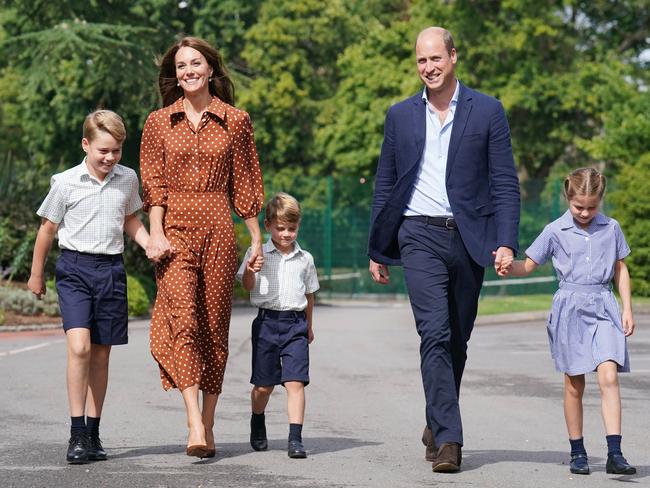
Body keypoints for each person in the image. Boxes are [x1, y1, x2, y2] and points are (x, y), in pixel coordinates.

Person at [367, 26, 520, 473]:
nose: (428, 68)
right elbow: (386, 184)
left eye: (435, 58)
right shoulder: (399, 116)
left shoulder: (487, 111)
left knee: (457, 339)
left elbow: (505, 182)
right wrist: (378, 245)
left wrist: (506, 240)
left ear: (454, 56)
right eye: (421, 61)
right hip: (418, 235)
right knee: (433, 333)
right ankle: (450, 440)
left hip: (470, 238)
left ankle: (437, 419)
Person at [140, 36, 264, 458]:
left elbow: (245, 183)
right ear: (174, 75)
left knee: (214, 326)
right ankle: (193, 418)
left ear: (211, 69)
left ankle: (209, 421)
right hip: (174, 230)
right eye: (180, 66)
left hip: (218, 228)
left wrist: (256, 237)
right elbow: (153, 186)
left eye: (195, 63)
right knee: (184, 320)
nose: (188, 71)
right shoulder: (159, 122)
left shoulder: (236, 120)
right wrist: (155, 233)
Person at [27, 110, 150, 464]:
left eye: (116, 151)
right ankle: (77, 433)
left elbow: (130, 218)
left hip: (111, 270)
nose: (110, 158)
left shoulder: (127, 179)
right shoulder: (65, 182)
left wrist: (150, 243)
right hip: (75, 270)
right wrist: (37, 275)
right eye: (103, 151)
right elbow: (47, 230)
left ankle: (94, 432)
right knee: (79, 347)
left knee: (100, 353)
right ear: (86, 144)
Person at [502, 168, 636, 475]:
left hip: (604, 306)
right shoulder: (554, 230)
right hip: (570, 308)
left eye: (592, 206)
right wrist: (509, 265)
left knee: (609, 376)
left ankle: (615, 452)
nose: (586, 212)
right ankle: (578, 451)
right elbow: (530, 265)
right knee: (575, 383)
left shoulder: (611, 228)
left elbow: (620, 268)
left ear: (601, 200)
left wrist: (627, 307)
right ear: (568, 198)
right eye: (579, 207)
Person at [236, 193, 319, 459]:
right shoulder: (257, 253)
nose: (286, 234)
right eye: (280, 228)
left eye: (292, 229)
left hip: (295, 324)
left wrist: (308, 326)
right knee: (264, 387)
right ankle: (257, 418)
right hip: (266, 323)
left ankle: (295, 438)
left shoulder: (305, 259)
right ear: (268, 225)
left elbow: (309, 295)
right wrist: (251, 269)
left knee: (295, 383)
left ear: (298, 227)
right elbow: (247, 286)